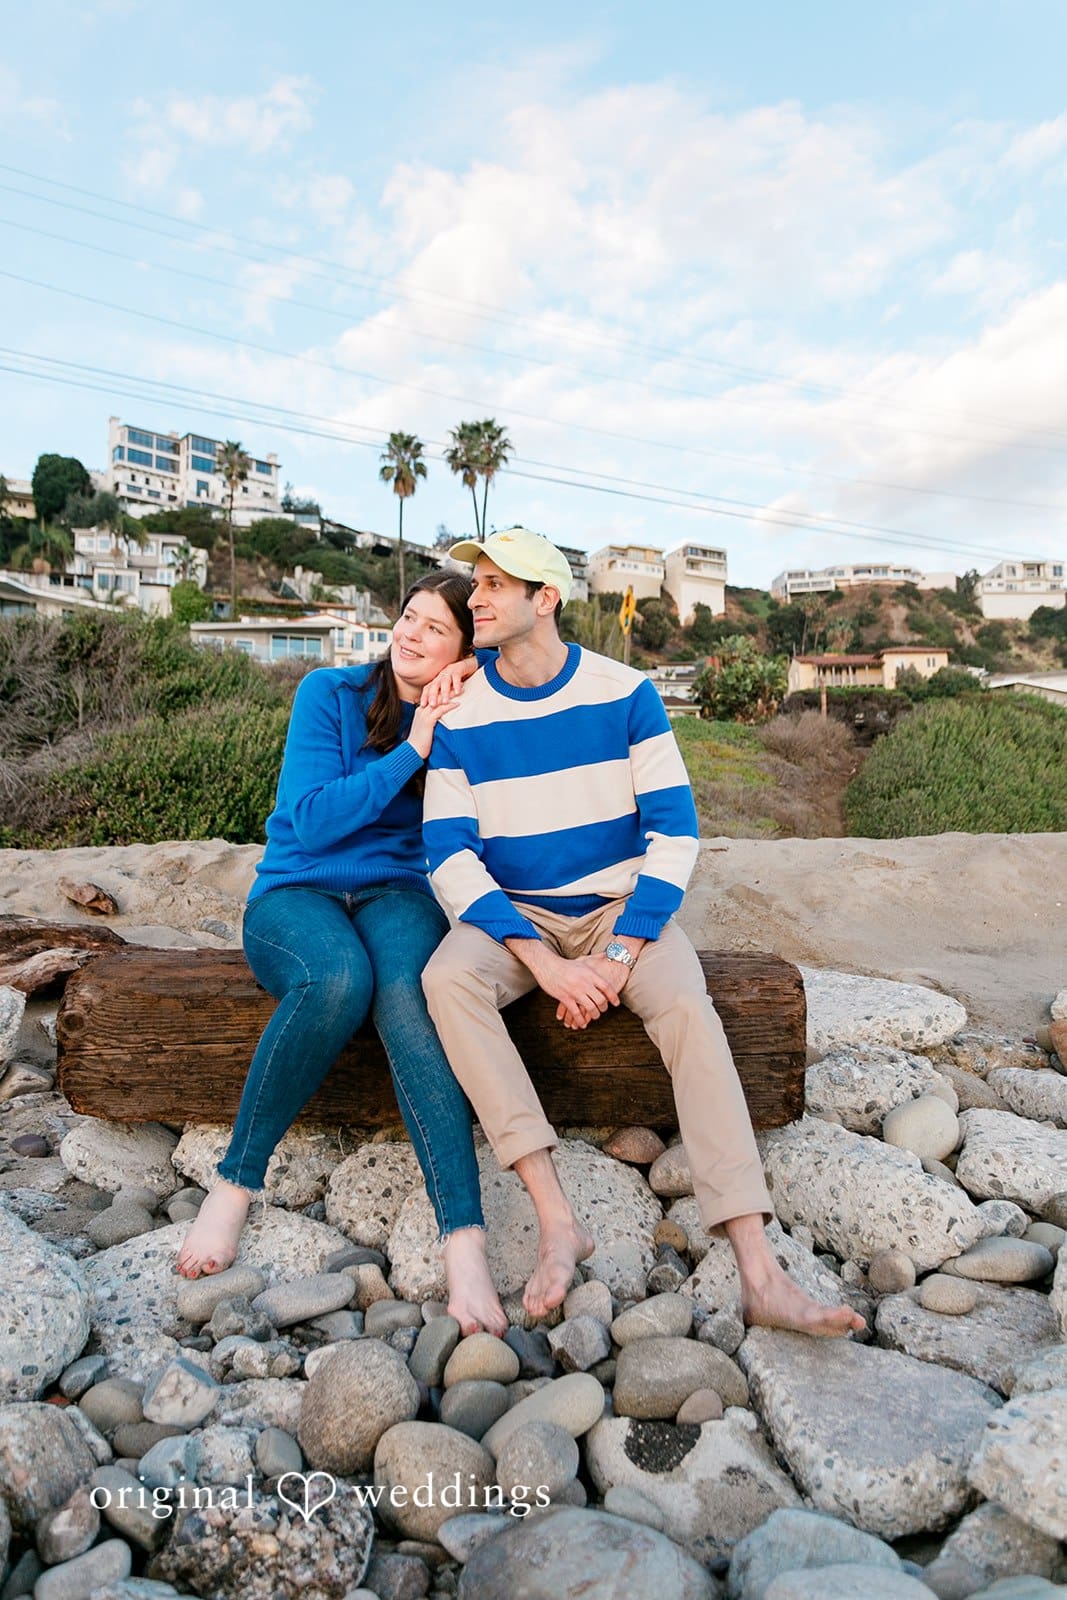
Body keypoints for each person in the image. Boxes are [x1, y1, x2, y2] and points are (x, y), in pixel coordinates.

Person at [421, 528, 865, 1334]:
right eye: (473, 583)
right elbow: (447, 854)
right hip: (516, 920)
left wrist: (621, 950)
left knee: (689, 1008)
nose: (473, 599)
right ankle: (558, 1220)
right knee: (446, 978)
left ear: (544, 599)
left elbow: (675, 832)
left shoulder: (625, 692)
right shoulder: (460, 708)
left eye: (492, 584)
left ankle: (759, 1271)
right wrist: (546, 967)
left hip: (618, 913)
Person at [176, 570, 508, 1338]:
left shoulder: (467, 710)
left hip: (397, 892)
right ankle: (234, 1185)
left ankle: (464, 1240)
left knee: (410, 998)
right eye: (408, 618)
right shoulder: (328, 694)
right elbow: (313, 821)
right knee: (336, 979)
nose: (410, 635)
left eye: (435, 630)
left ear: (462, 651)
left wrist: (467, 690)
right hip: (296, 893)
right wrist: (412, 747)